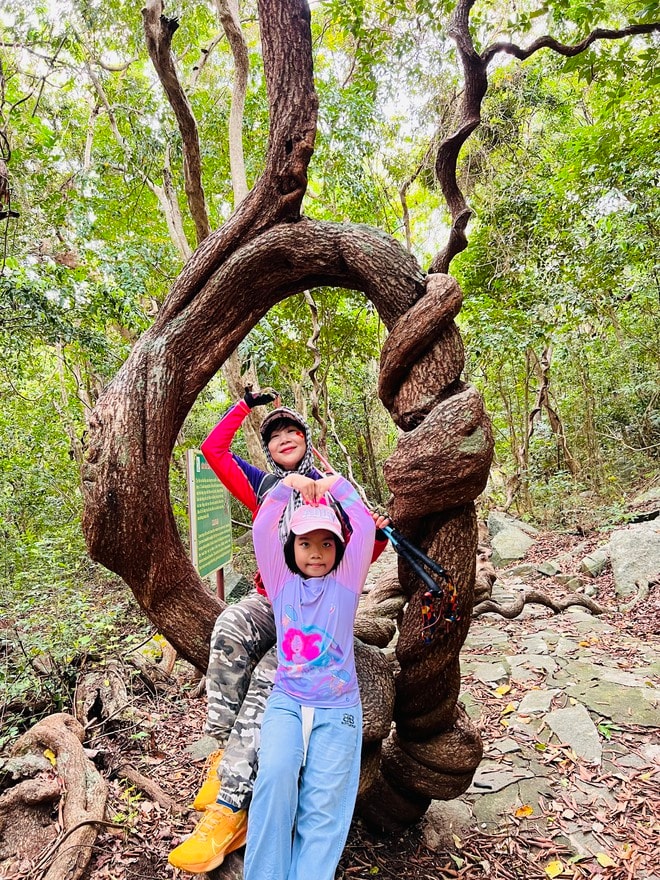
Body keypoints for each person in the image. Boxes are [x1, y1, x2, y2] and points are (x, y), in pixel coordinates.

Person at [168, 390, 388, 873]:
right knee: (228, 627)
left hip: (318, 620)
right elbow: (214, 452)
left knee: (271, 677)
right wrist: (244, 407)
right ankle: (224, 751)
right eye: (275, 436)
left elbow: (359, 558)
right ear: (267, 450)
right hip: (274, 598)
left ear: (307, 442)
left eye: (293, 432)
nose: (284, 438)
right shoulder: (266, 484)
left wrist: (363, 518)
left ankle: (232, 801)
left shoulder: (333, 491)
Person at [244, 472, 375, 880]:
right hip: (287, 700)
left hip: (338, 710)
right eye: (305, 543)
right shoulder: (282, 583)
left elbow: (366, 525)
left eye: (326, 543)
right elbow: (263, 526)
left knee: (325, 807)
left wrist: (336, 484)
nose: (315, 552)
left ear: (338, 548)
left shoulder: (347, 582)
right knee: (274, 779)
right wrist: (291, 485)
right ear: (292, 547)